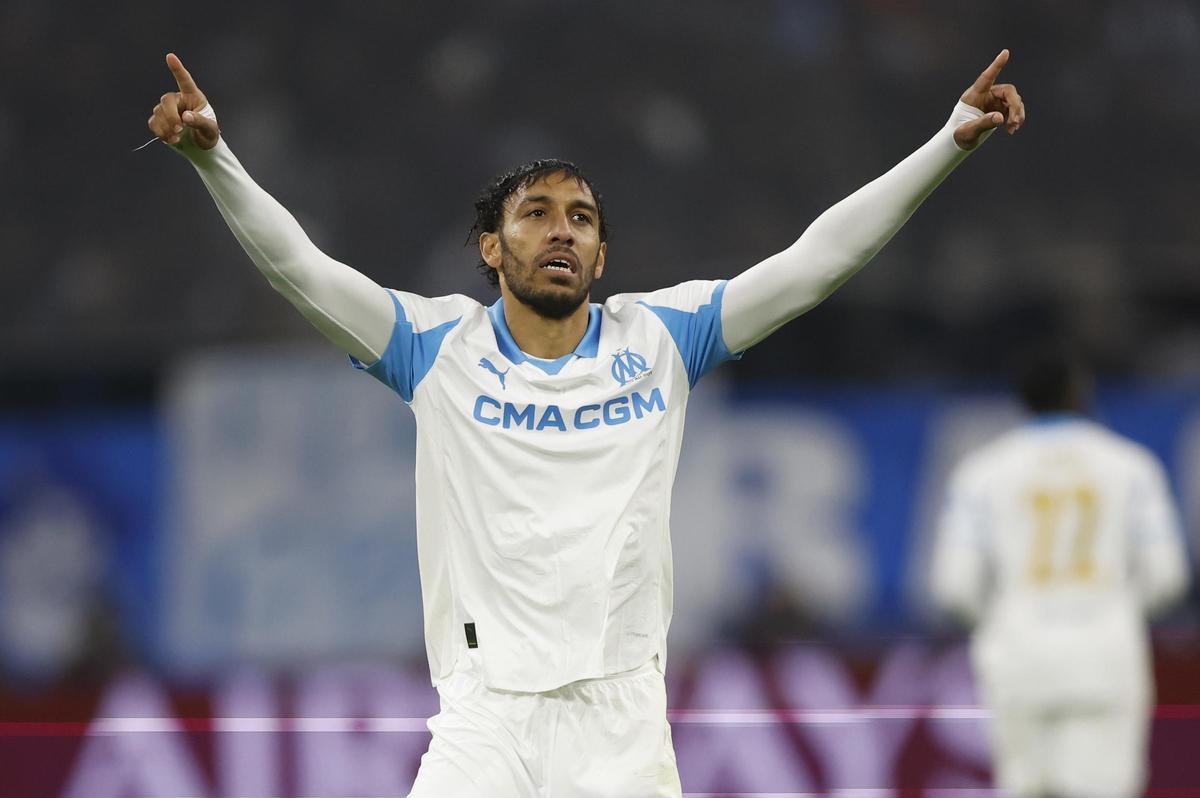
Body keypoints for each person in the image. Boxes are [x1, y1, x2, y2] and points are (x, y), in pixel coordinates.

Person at [148, 49, 1024, 797]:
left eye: (581, 219)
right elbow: (300, 269)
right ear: (491, 246)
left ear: (603, 256)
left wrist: (946, 144)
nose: (560, 232)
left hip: (623, 728)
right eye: (536, 214)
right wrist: (214, 160)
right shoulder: (435, 347)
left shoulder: (663, 338)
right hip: (486, 721)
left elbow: (815, 262)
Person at [931, 349, 1190, 798]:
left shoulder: (981, 473)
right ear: (1078, 394)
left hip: (1017, 655)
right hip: (1105, 655)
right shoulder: (1132, 467)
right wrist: (1119, 611)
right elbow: (1168, 578)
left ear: (1022, 401)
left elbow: (953, 588)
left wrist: (1003, 620)